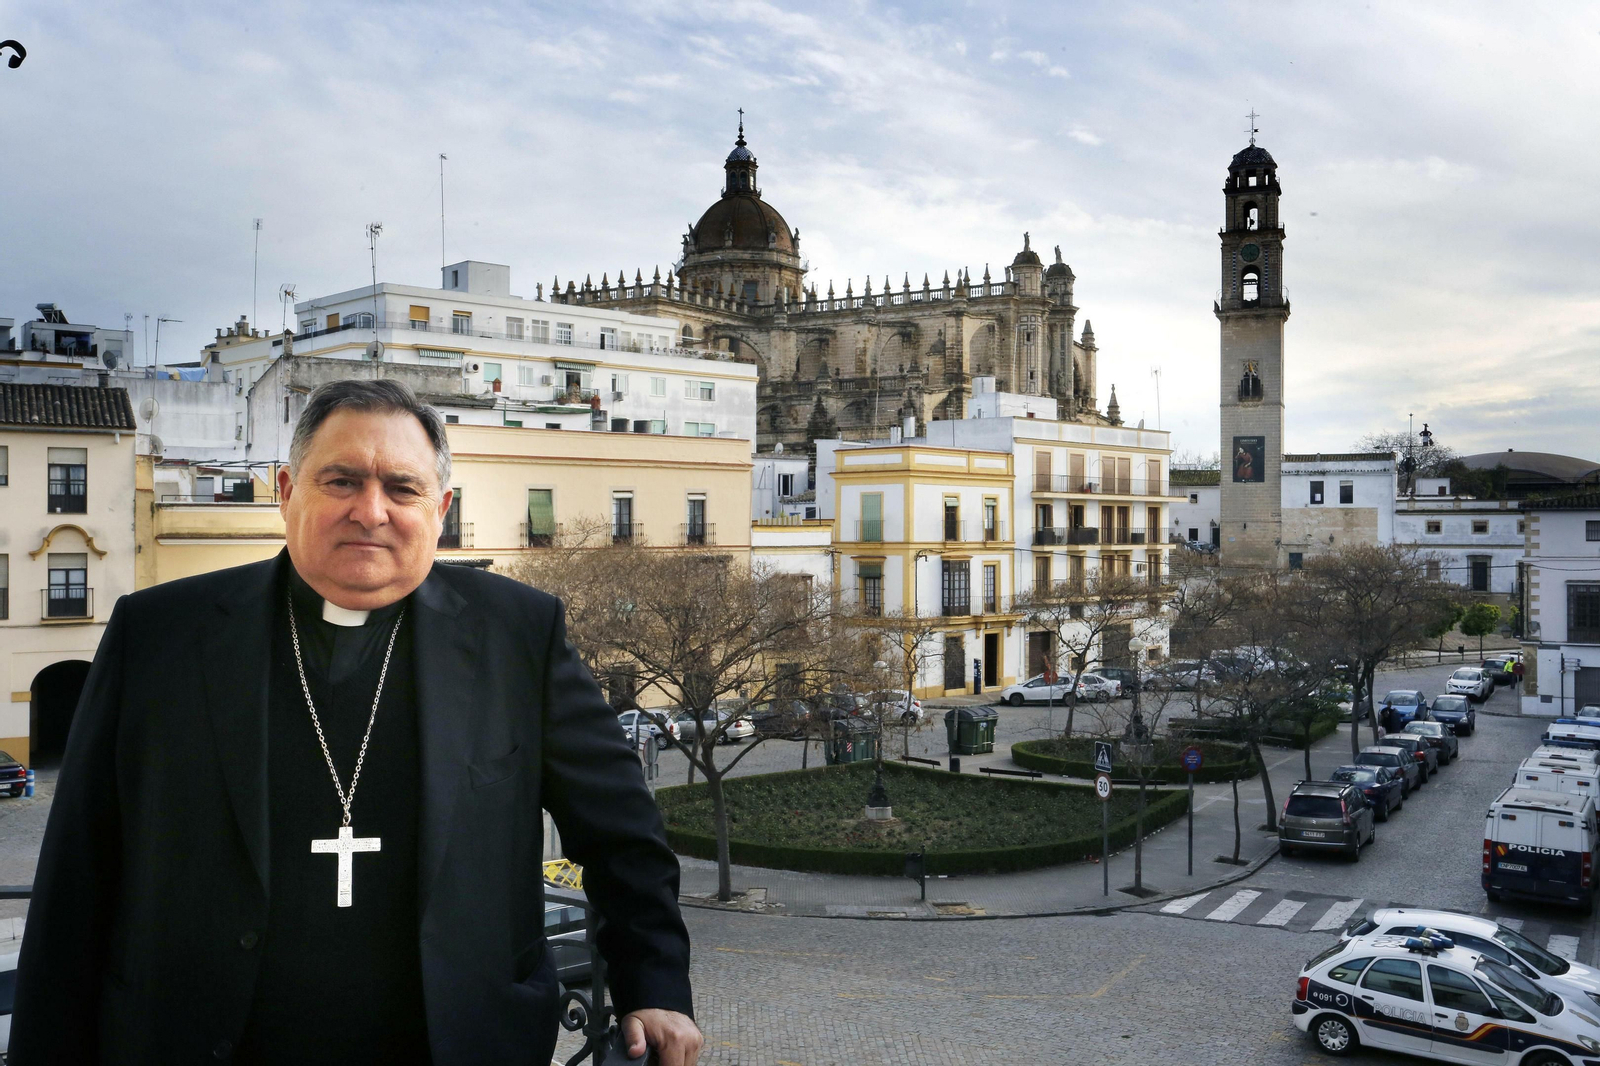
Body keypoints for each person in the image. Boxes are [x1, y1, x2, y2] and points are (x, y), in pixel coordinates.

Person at [12, 380, 702, 1065]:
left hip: (456, 1044)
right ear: (288, 493)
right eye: (341, 481)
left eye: (402, 488)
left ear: (440, 509)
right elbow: (79, 867)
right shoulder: (160, 634)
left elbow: (620, 832)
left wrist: (655, 986)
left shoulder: (519, 634)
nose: (370, 512)